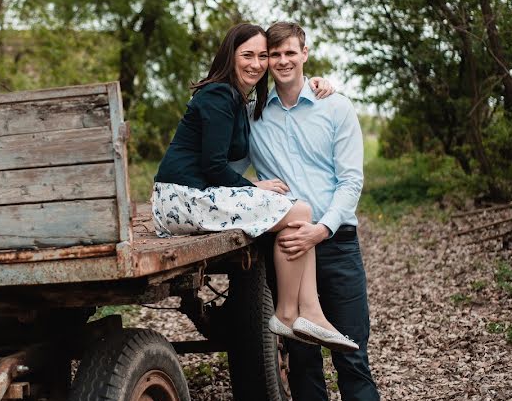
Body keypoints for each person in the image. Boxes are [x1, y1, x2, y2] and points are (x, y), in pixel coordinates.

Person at [151, 22, 357, 352]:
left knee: (298, 214)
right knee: (300, 210)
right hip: (182, 198)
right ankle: (289, 313)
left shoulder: (236, 99)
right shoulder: (220, 95)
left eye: (263, 56)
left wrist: (316, 82)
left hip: (187, 197)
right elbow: (214, 166)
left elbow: (218, 166)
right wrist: (253, 187)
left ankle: (310, 314)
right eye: (248, 55)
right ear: (230, 56)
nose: (257, 63)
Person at [248, 21, 390, 401]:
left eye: (290, 52)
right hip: (289, 247)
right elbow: (219, 164)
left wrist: (321, 228)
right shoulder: (254, 117)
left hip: (334, 242)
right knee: (302, 356)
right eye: (273, 55)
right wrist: (253, 189)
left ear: (305, 53)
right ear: (266, 60)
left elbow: (351, 180)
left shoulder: (335, 105)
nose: (282, 62)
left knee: (351, 356)